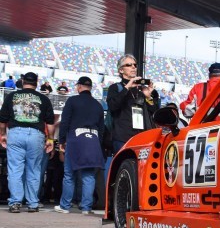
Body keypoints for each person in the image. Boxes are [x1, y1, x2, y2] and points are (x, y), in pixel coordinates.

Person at [0, 72, 56, 213]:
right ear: (36, 83)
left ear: (23, 81)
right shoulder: (43, 98)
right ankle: (32, 203)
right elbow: (50, 123)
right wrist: (50, 139)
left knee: (15, 169)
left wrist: (2, 135)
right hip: (36, 134)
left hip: (16, 132)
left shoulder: (12, 96)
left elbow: (2, 119)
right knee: (34, 169)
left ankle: (15, 202)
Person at [53, 77, 105, 215]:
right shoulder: (98, 105)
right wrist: (97, 143)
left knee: (69, 174)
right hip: (93, 139)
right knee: (88, 175)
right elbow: (102, 128)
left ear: (79, 86)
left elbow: (64, 122)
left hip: (75, 138)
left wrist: (62, 140)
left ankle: (65, 206)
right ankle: (86, 207)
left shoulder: (72, 101)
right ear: (91, 87)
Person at [106, 54, 160, 153]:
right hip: (122, 138)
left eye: (135, 65)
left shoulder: (141, 89)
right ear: (121, 70)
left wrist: (148, 97)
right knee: (125, 166)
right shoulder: (115, 88)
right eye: (129, 65)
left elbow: (154, 114)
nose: (133, 67)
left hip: (141, 137)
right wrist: (126, 88)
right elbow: (113, 106)